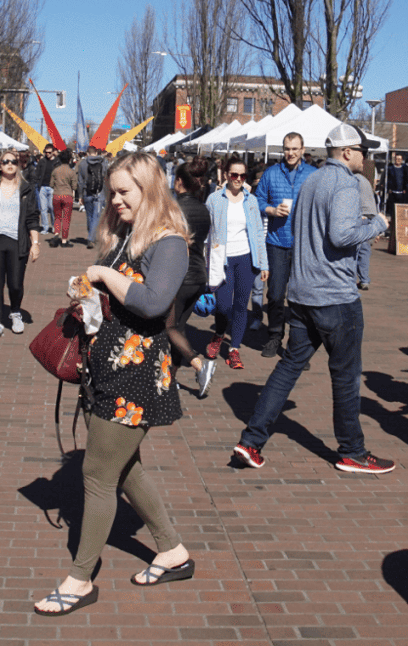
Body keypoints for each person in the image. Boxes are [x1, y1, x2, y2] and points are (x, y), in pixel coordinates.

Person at [33, 152, 192, 616]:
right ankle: (171, 550)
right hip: (106, 367)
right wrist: (86, 295)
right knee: (124, 468)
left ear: (149, 189)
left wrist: (103, 274)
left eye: (124, 192)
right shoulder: (125, 235)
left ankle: (80, 579)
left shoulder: (169, 242)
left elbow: (153, 302)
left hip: (135, 374)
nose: (115, 200)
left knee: (98, 474)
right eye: (112, 192)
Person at [233, 123, 394, 474]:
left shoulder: (311, 181)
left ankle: (251, 440)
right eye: (362, 152)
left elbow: (309, 231)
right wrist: (378, 224)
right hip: (334, 297)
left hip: (303, 294)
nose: (365, 159)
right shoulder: (346, 184)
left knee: (289, 366)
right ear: (347, 152)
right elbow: (341, 235)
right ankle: (352, 451)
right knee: (346, 376)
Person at [204, 155, 268, 370]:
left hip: (246, 259)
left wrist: (264, 263)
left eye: (242, 175)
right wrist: (204, 262)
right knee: (223, 306)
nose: (238, 179)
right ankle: (219, 334)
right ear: (226, 175)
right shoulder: (214, 199)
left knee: (241, 306)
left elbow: (258, 233)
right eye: (234, 175)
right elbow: (206, 233)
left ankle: (234, 349)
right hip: (222, 259)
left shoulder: (251, 200)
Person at [255, 133, 316, 359]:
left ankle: (297, 346)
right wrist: (271, 210)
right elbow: (257, 199)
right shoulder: (271, 173)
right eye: (287, 149)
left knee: (302, 298)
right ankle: (274, 336)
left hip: (304, 245)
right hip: (277, 243)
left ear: (302, 150)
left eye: (295, 149)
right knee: (275, 295)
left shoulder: (313, 174)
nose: (290, 153)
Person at [0, 148, 40, 339]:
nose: (10, 165)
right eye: (6, 162)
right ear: (0, 165)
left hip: (17, 241)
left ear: (18, 165)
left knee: (15, 284)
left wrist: (35, 243)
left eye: (13, 162)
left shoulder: (26, 189)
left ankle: (15, 312)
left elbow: (32, 218)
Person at [166, 157, 215, 398]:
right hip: (198, 275)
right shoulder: (204, 210)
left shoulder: (173, 209)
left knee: (168, 327)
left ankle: (199, 364)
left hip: (179, 276)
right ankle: (170, 379)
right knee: (179, 328)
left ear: (178, 182)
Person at [77, 146, 107, 249]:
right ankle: (91, 237)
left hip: (87, 192)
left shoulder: (82, 164)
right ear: (96, 152)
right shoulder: (103, 162)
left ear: (87, 153)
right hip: (99, 192)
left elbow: (80, 181)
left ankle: (91, 236)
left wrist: (80, 195)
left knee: (89, 216)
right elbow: (106, 177)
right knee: (96, 216)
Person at [354, 168, 379, 290]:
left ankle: (350, 280)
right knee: (364, 251)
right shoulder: (365, 180)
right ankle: (364, 280)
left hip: (360, 216)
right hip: (370, 216)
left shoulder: (353, 179)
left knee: (354, 250)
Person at [50, 149, 78, 247]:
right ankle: (64, 240)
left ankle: (56, 234)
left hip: (57, 195)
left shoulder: (55, 170)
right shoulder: (71, 172)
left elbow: (51, 184)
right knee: (66, 219)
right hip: (67, 196)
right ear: (69, 159)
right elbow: (75, 186)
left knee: (57, 217)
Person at [32, 144, 58, 236]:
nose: (47, 154)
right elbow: (37, 173)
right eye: (46, 152)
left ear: (53, 152)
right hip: (42, 187)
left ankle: (54, 226)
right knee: (43, 209)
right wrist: (35, 181)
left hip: (52, 188)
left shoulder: (57, 161)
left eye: (49, 152)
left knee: (52, 207)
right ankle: (45, 227)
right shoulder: (42, 161)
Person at [386, 153, 408, 218]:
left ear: (402, 160)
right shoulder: (390, 168)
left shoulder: (404, 169)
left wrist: (405, 189)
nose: (398, 160)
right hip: (392, 193)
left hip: (401, 193)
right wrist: (389, 189)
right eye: (397, 159)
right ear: (395, 159)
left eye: (399, 159)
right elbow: (388, 179)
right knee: (392, 212)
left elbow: (407, 179)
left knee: (400, 211)